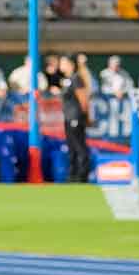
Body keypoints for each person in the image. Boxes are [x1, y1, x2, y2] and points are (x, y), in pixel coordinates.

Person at [52, 53, 91, 183]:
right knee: (72, 147)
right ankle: (73, 174)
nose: (61, 66)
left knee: (79, 146)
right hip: (68, 117)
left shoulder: (76, 78)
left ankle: (82, 175)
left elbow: (83, 99)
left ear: (71, 64)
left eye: (63, 63)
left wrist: (85, 116)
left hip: (76, 117)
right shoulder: (68, 79)